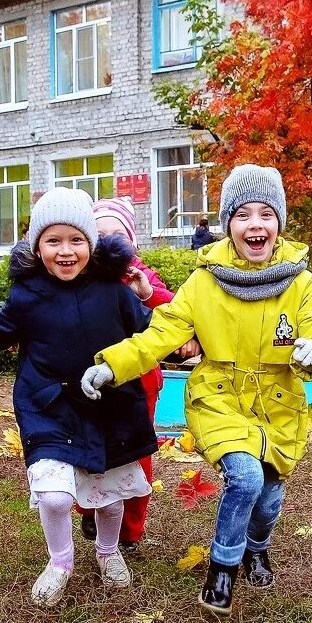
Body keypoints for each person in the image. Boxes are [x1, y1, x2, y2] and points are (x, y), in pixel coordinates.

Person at [81, 164, 312, 616]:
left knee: (268, 499)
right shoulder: (203, 282)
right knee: (246, 478)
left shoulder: (301, 284)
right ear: (227, 224)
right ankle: (222, 569)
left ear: (278, 222)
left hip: (279, 408)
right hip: (218, 399)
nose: (254, 225)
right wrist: (112, 365)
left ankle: (256, 546)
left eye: (265, 214)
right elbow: (159, 335)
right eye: (242, 215)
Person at [0, 188, 157, 607]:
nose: (66, 251)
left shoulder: (113, 290)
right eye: (53, 241)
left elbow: (151, 329)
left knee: (110, 496)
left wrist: (186, 341)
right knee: (55, 495)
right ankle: (60, 562)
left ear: (91, 245)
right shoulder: (28, 294)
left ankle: (108, 553)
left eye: (76, 240)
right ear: (37, 247)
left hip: (110, 405)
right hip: (50, 406)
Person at [76, 196, 198, 550]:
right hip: (92, 384)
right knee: (90, 450)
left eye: (119, 235)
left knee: (136, 457)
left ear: (132, 242)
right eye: (100, 235)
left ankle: (129, 531)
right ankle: (89, 508)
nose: (110, 242)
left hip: (139, 384)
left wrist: (146, 294)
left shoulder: (142, 276)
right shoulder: (81, 278)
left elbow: (177, 312)